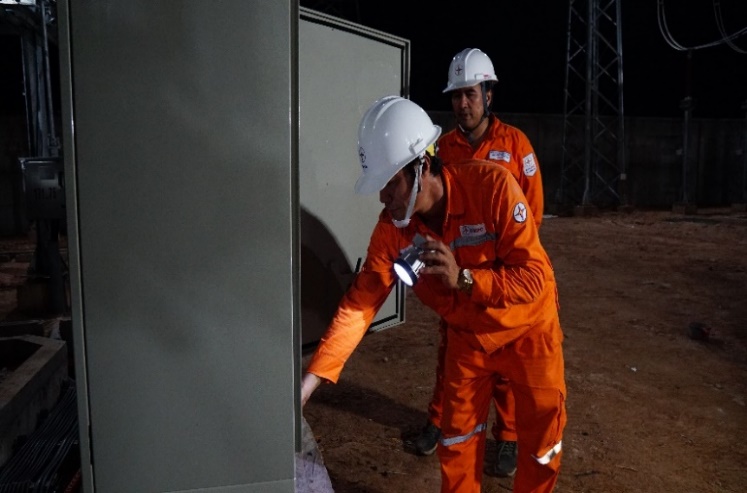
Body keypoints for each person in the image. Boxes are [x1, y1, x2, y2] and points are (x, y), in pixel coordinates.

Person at [300, 95, 566, 493]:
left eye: (390, 184)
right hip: (468, 340)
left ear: (422, 167)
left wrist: (468, 280)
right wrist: (307, 387)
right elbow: (359, 306)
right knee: (456, 444)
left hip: (528, 333)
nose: (382, 197)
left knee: (540, 448)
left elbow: (535, 279)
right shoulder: (393, 230)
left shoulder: (493, 188)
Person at [415, 47, 546, 477]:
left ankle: (506, 438)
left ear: (488, 94)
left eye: (470, 93)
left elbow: (533, 215)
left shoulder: (516, 146)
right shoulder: (442, 149)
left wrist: (498, 269)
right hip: (454, 277)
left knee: (505, 362)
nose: (462, 104)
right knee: (449, 351)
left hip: (500, 279)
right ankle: (440, 419)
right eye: (456, 96)